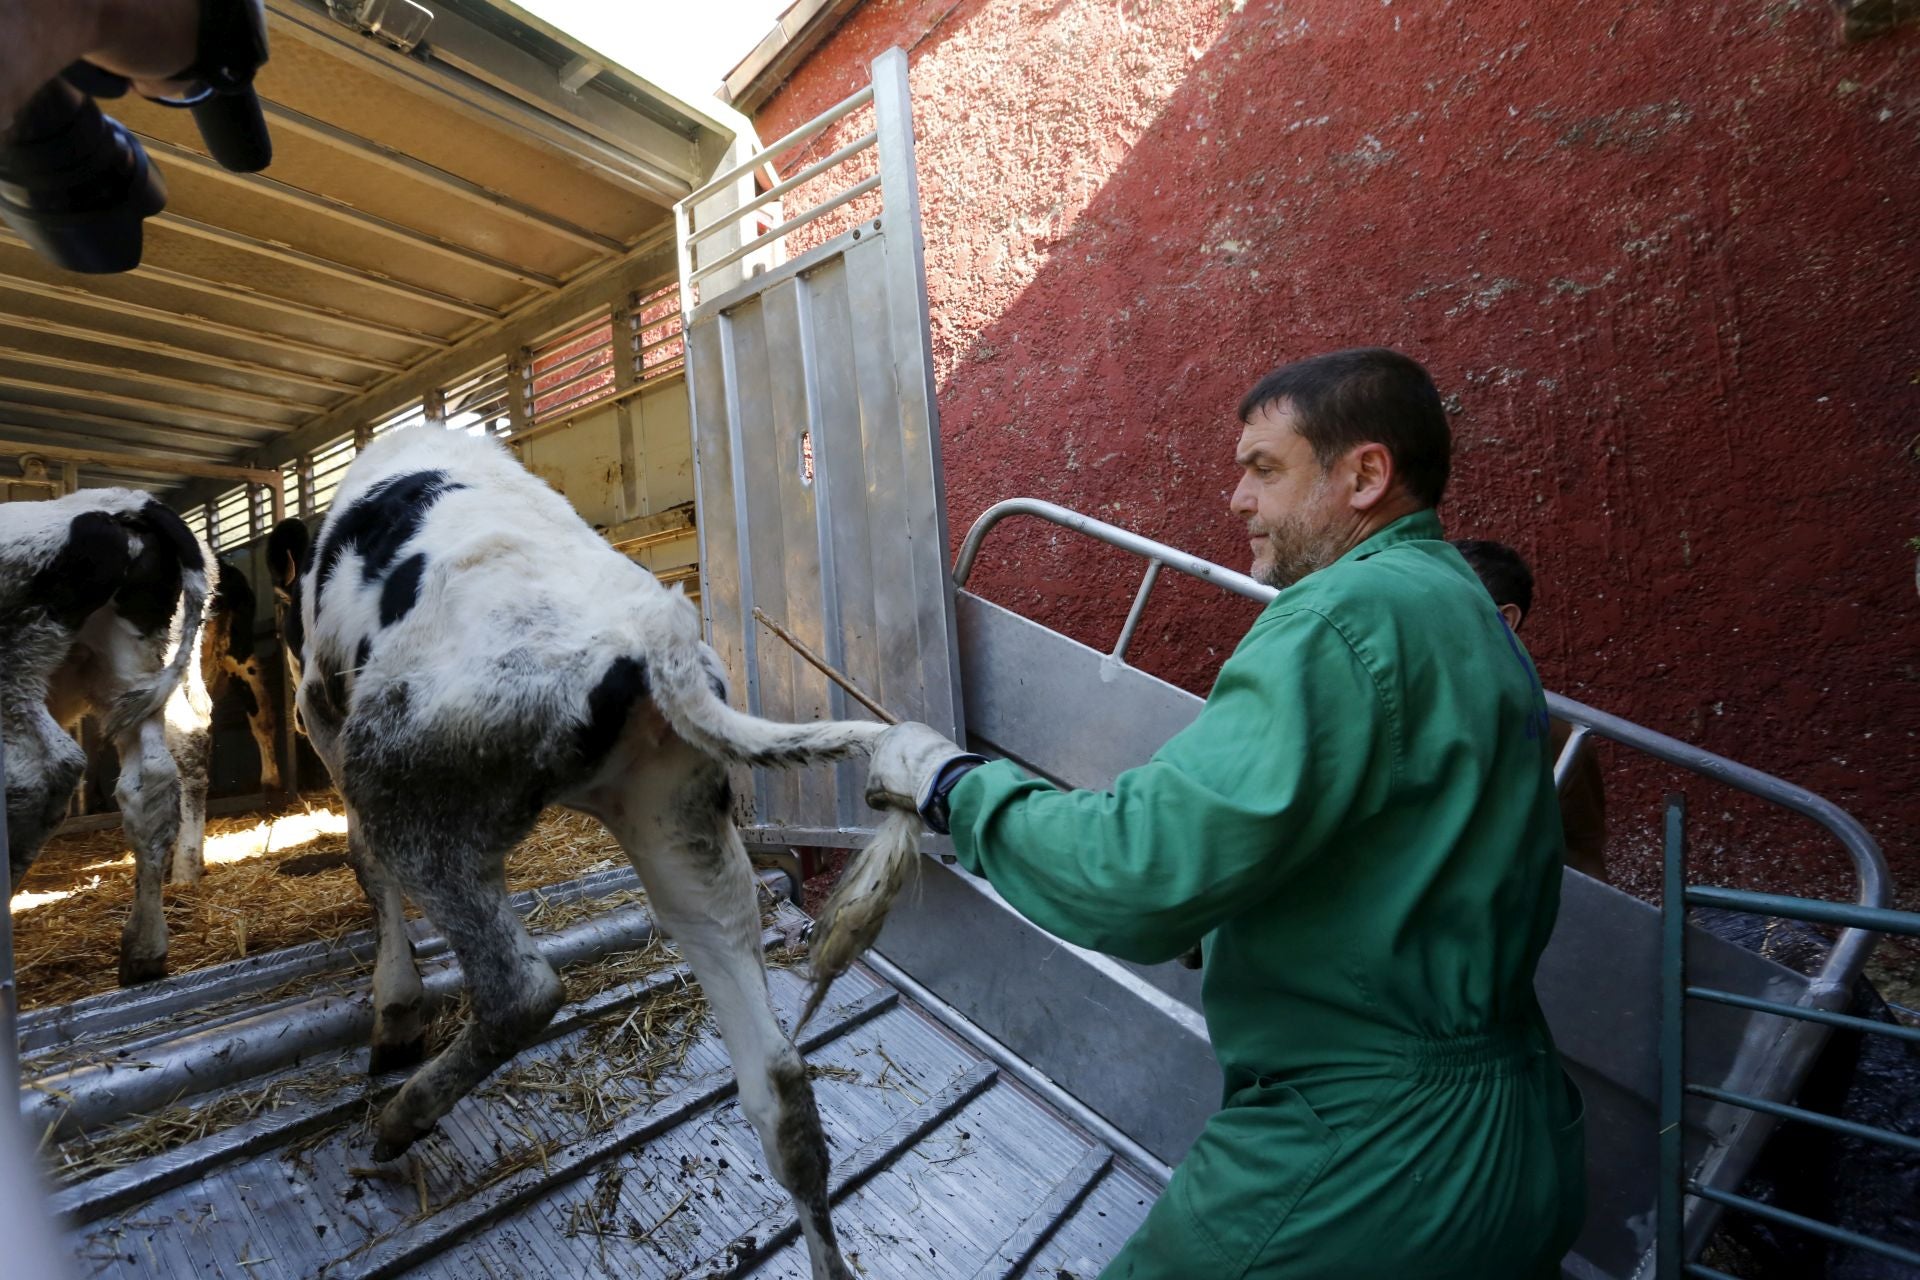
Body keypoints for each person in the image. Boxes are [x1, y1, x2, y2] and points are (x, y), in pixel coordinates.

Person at [865, 348, 1586, 1279]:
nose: (1236, 500)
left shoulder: (1340, 615)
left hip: (1369, 1158)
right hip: (1519, 1133)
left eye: (1265, 469)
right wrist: (1250, 905)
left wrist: (953, 788)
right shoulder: (1465, 609)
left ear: (1364, 475)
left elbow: (1131, 873)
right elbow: (1405, 849)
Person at [1452, 539, 1609, 882]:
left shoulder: (1561, 735)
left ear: (1504, 620)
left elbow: (1583, 856)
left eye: (1443, 603)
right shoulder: (1391, 700)